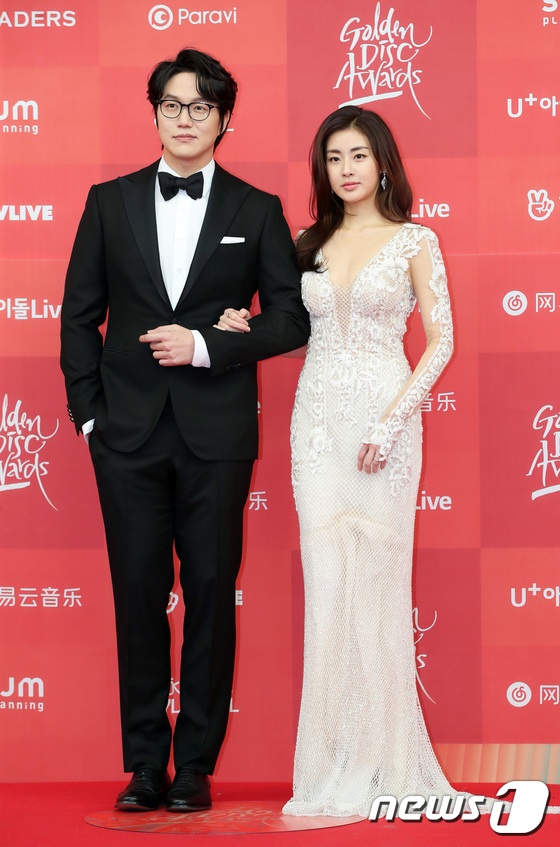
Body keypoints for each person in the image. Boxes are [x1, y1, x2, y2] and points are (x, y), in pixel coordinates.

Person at [60, 48, 309, 814]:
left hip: (216, 434)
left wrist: (206, 344)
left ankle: (195, 763)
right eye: (173, 105)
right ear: (156, 114)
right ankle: (145, 763)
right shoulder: (109, 202)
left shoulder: (256, 208)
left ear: (224, 119)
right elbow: (78, 316)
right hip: (126, 435)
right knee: (137, 597)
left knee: (208, 593)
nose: (186, 118)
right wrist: (91, 415)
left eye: (202, 107)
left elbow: (291, 319)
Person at [217, 105, 455, 817]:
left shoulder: (416, 240)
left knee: (378, 587)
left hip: (386, 424)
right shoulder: (305, 243)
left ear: (383, 164)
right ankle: (331, 766)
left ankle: (386, 762)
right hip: (317, 429)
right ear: (322, 169)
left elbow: (441, 341)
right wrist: (243, 325)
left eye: (358, 155)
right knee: (328, 588)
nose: (346, 169)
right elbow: (292, 327)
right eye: (333, 157)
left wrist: (392, 422)